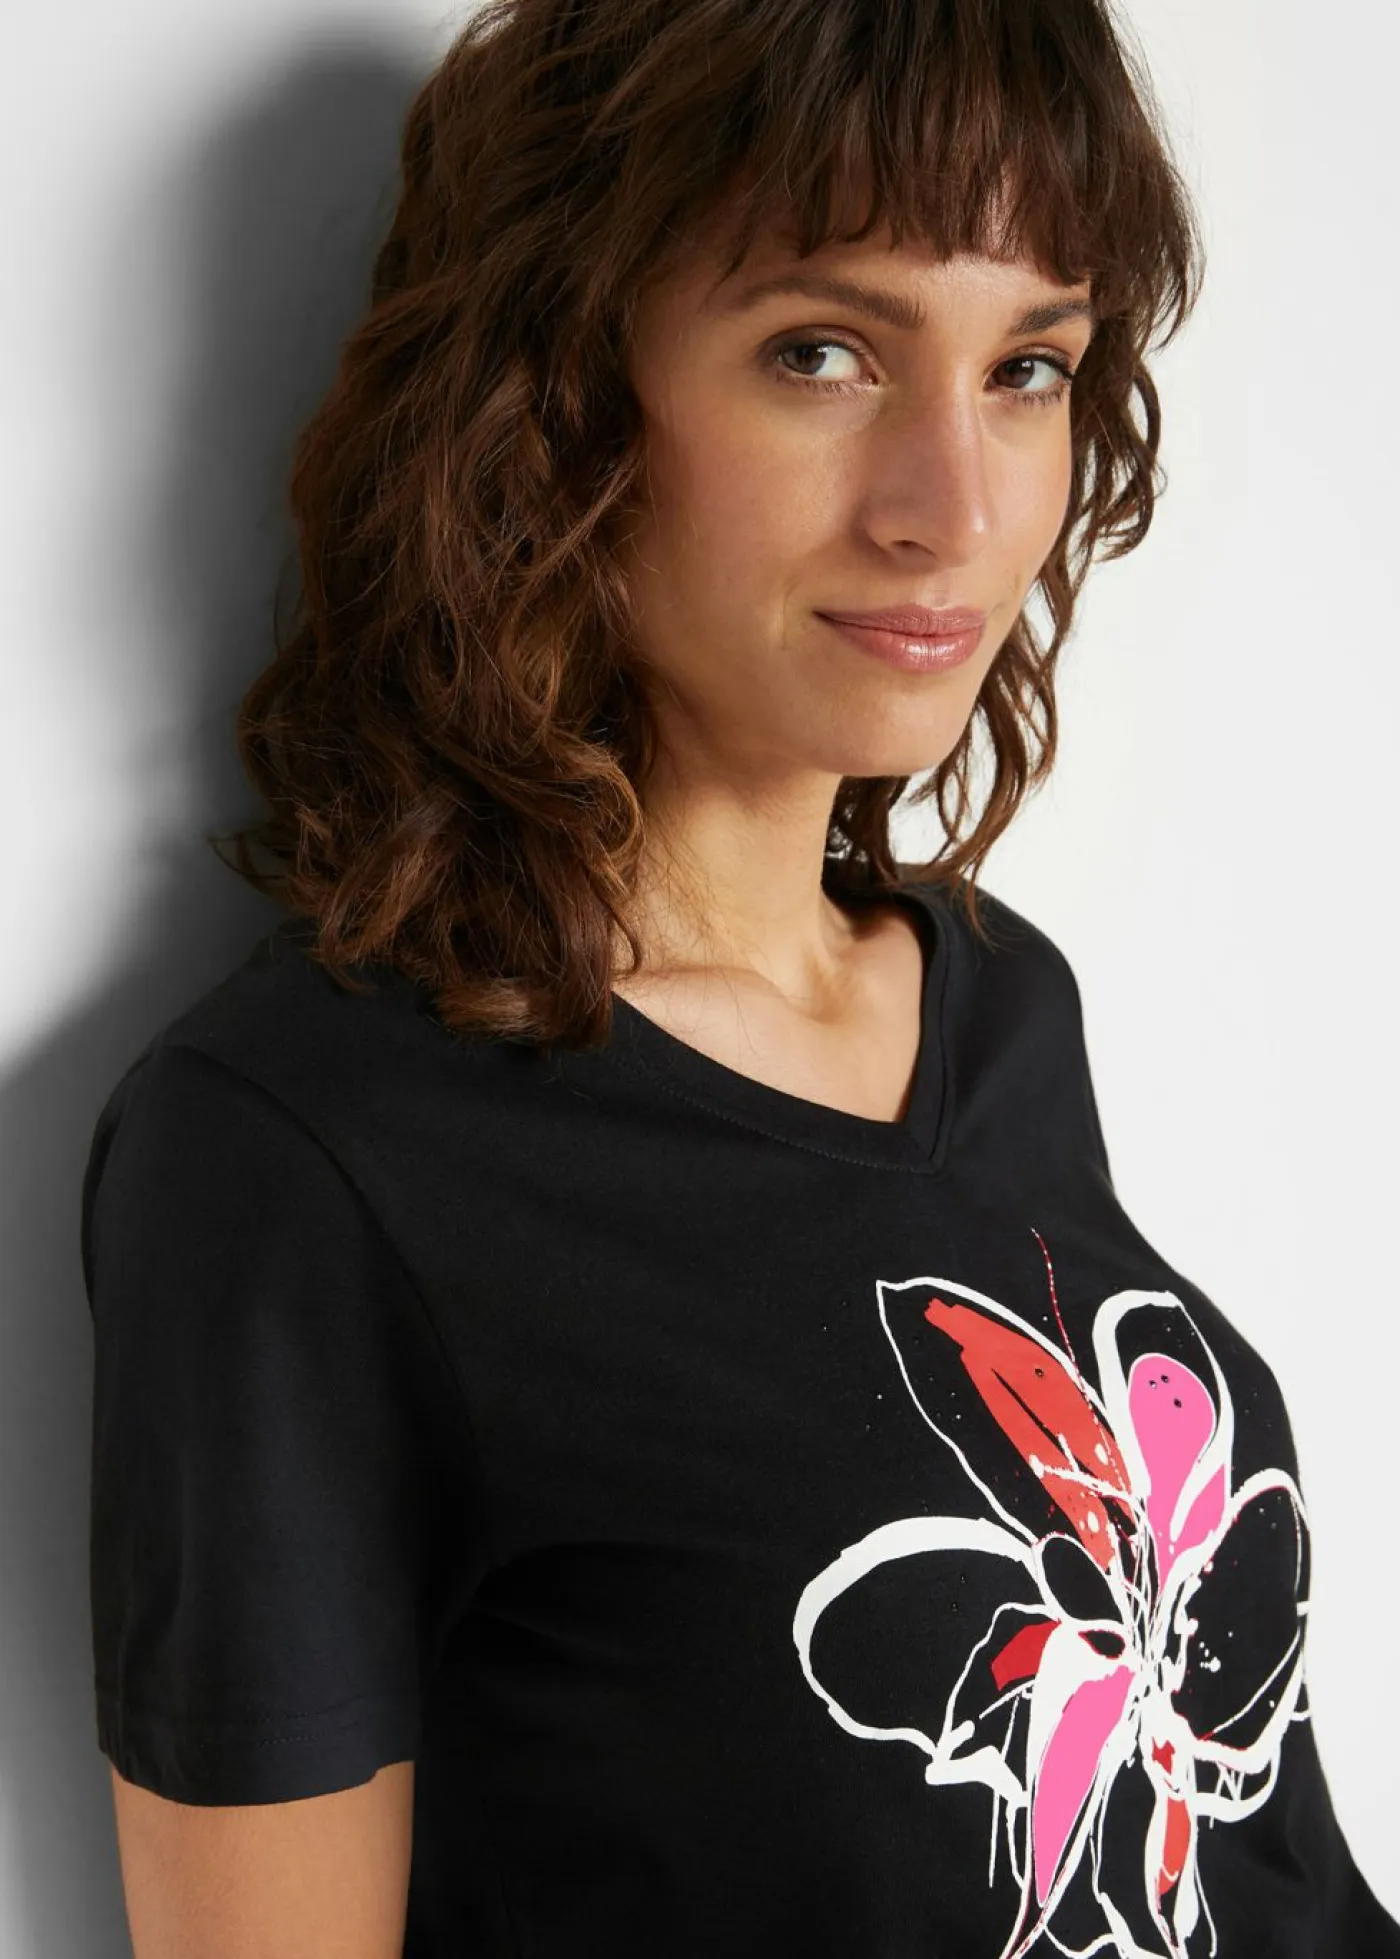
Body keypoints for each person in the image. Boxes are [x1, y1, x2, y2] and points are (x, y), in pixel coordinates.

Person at [78, 0, 1400, 1954]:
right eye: (821, 352)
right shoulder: (304, 1151)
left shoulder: (996, 1006)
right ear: (555, 392)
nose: (953, 504)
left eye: (1027, 367)